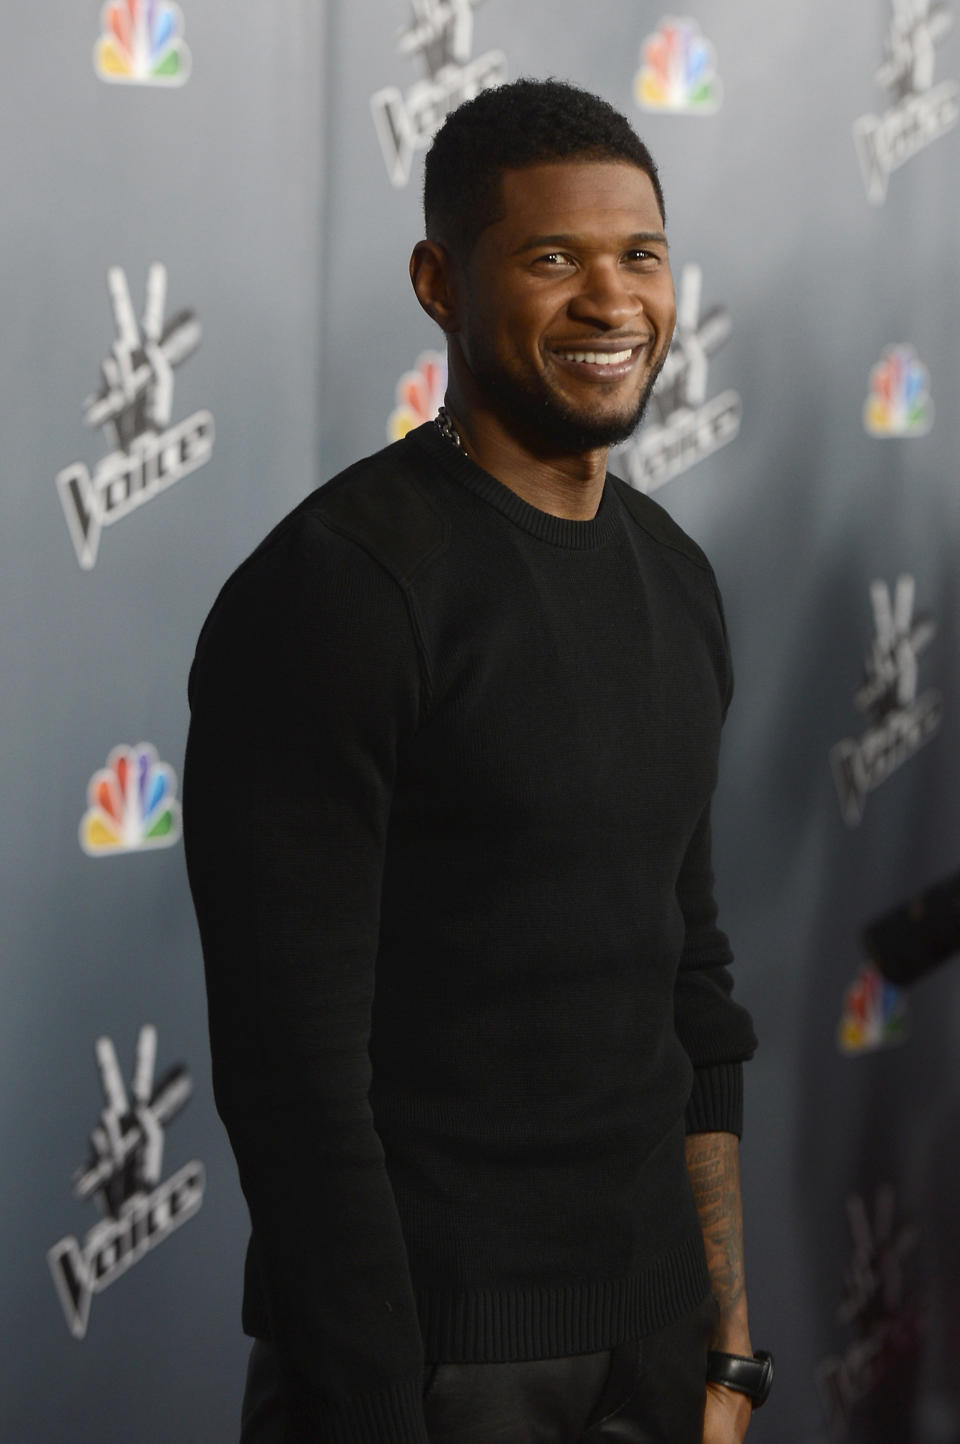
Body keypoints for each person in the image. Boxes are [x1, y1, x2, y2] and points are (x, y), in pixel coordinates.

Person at [183, 77, 768, 1444]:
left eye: (640, 256)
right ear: (441, 282)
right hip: (434, 1376)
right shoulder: (339, 590)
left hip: (656, 1351)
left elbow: (691, 985)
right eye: (553, 257)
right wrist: (374, 1396)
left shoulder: (675, 579)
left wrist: (727, 1349)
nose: (611, 302)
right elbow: (292, 1075)